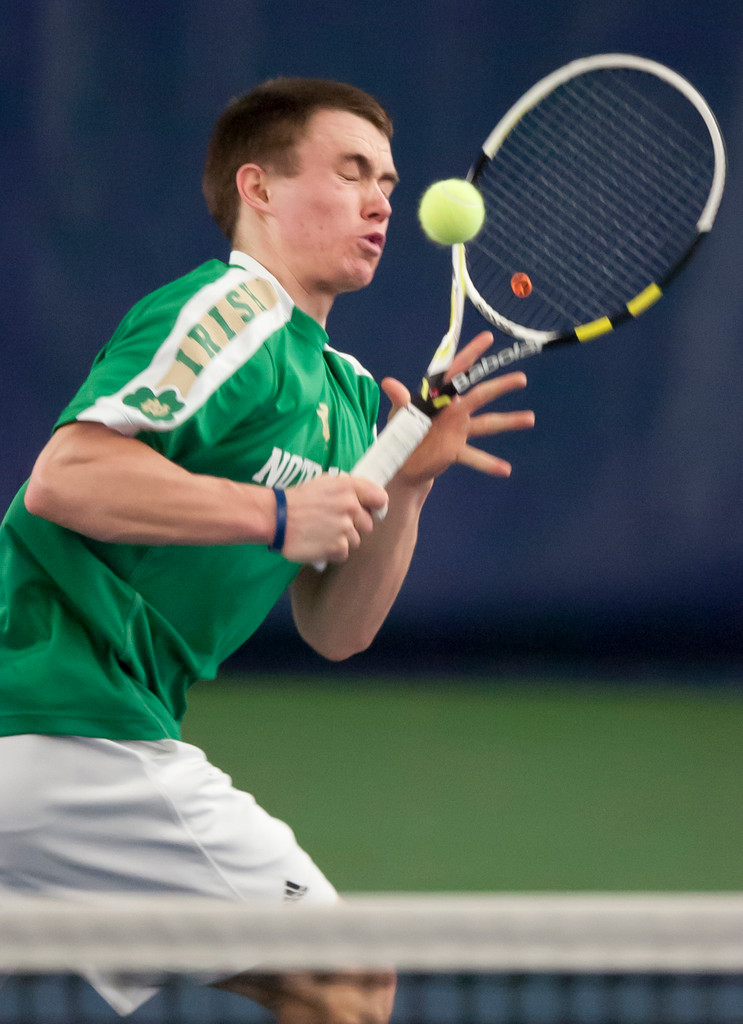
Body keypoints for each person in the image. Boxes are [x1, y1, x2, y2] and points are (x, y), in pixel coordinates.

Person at [0, 78, 534, 1022]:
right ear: (259, 188)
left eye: (388, 183)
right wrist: (278, 514)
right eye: (351, 172)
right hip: (57, 715)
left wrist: (409, 482)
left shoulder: (346, 394)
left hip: (73, 730)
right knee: (344, 979)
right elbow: (66, 476)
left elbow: (335, 628)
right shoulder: (232, 311)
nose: (379, 202)